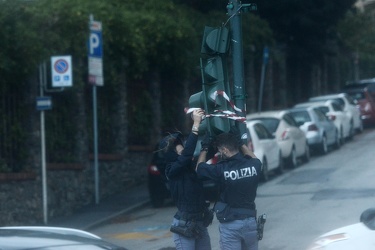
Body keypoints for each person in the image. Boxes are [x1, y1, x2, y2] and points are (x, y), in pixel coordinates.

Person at [195, 130, 262, 250]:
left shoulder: (222, 169)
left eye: (220, 150)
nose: (219, 153)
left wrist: (205, 148)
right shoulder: (253, 165)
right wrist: (241, 143)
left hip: (231, 224)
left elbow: (199, 168)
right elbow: (256, 160)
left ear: (225, 150)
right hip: (250, 222)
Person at [161, 109, 212, 250]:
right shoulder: (172, 170)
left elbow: (202, 158)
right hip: (184, 224)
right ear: (172, 153)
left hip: (199, 222)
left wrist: (208, 143)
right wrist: (195, 125)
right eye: (179, 147)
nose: (183, 149)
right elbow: (187, 154)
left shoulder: (189, 166)